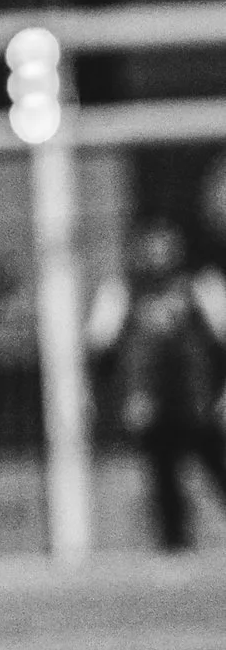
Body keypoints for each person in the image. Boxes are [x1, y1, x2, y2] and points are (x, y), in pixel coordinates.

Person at [86, 218, 226, 553]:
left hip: (198, 400)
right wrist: (108, 399)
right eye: (153, 244)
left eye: (167, 244)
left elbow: (221, 344)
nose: (160, 253)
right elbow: (100, 351)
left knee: (218, 467)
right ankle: (175, 546)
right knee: (163, 478)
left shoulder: (202, 285)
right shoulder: (121, 291)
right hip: (149, 403)